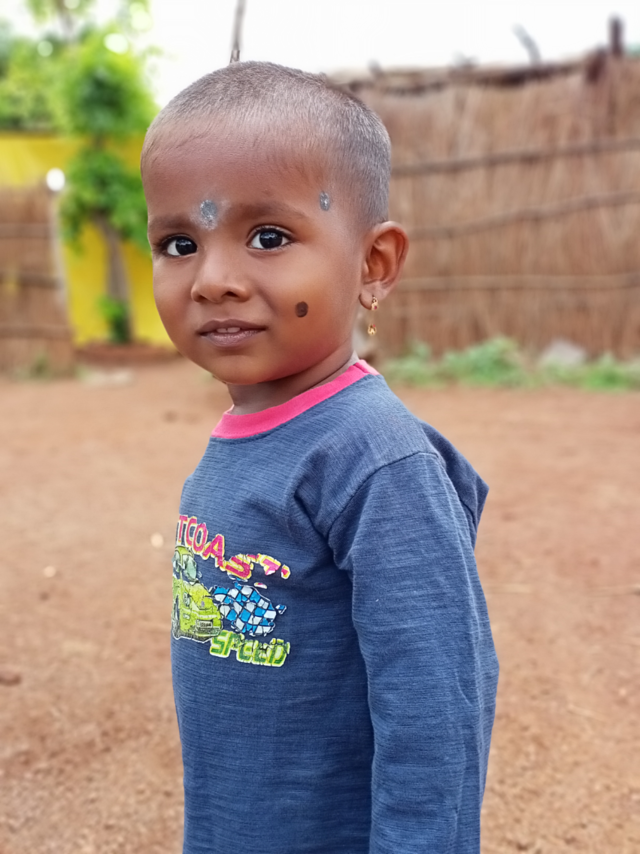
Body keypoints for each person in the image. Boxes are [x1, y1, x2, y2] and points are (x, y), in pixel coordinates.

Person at [140, 61, 498, 854]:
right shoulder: (248, 435)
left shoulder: (374, 460)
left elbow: (439, 704)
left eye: (268, 237)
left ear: (373, 265)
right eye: (179, 243)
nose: (213, 280)